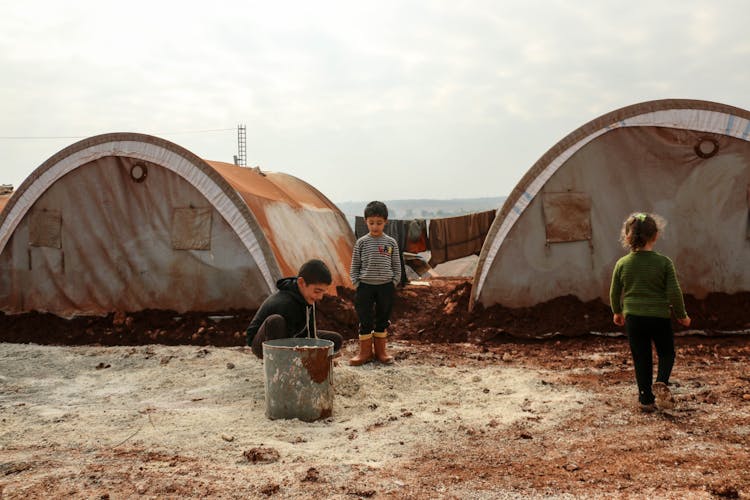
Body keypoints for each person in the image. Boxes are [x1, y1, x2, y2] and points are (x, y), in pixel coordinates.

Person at [609, 212, 691, 412]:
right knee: (666, 353)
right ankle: (661, 382)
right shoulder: (663, 262)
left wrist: (617, 312)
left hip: (634, 319)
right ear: (655, 235)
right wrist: (682, 315)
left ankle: (645, 398)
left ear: (627, 237)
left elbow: (614, 291)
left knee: (641, 356)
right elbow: (674, 291)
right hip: (659, 318)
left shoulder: (622, 264)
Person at [246, 259, 343, 358]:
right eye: (317, 291)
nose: (320, 297)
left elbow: (311, 334)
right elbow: (287, 340)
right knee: (275, 321)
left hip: (294, 336)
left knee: (335, 339)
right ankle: (279, 361)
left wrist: (317, 350)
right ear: (301, 282)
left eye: (323, 292)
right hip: (265, 343)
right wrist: (308, 355)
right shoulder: (285, 303)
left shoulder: (307, 296)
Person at [349, 201, 401, 365]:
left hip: (385, 286)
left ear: (386, 221)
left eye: (379, 223)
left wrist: (394, 281)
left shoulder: (390, 243)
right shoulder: (362, 242)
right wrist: (356, 282)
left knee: (382, 318)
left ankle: (381, 352)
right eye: (371, 223)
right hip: (365, 286)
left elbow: (396, 265)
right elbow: (355, 264)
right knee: (365, 317)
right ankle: (364, 353)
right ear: (366, 222)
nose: (375, 226)